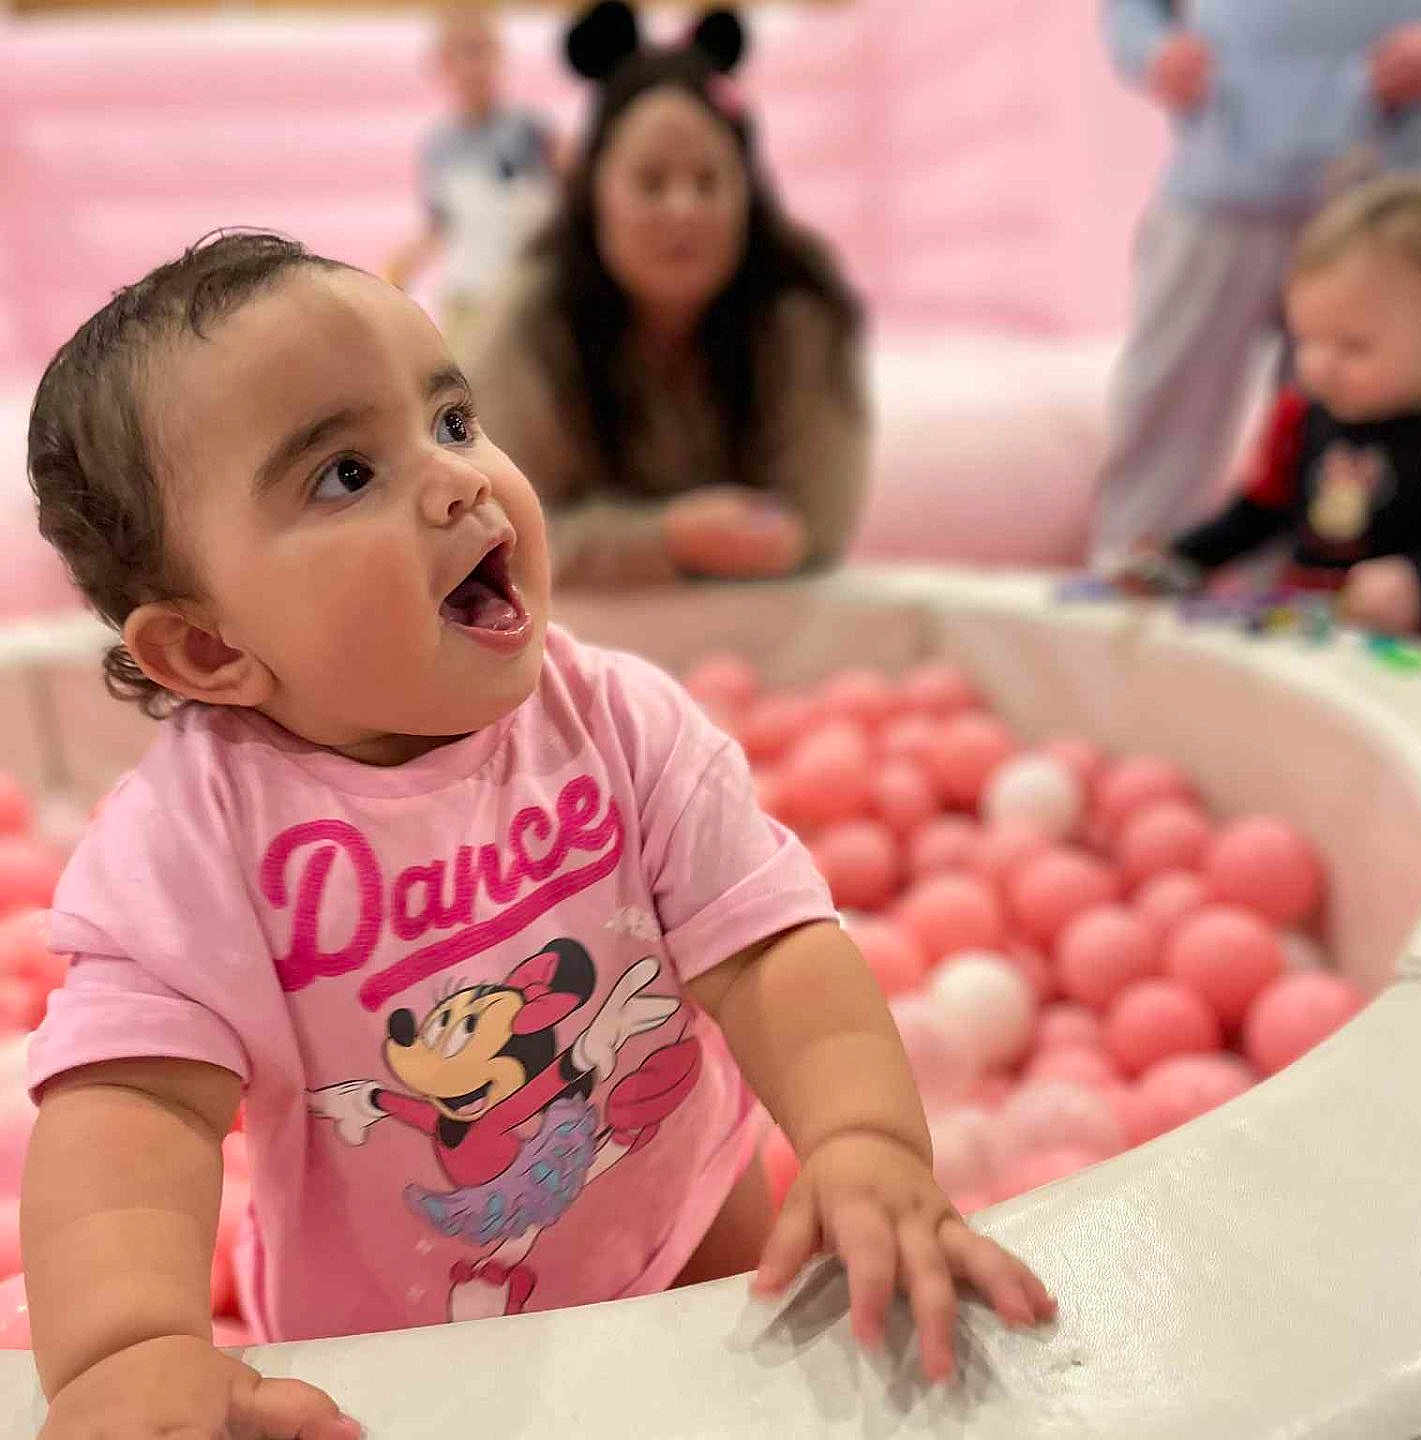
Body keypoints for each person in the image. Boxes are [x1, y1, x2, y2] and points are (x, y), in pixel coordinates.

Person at [21, 231, 1053, 1438]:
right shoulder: (190, 841)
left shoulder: (617, 720)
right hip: (393, 1340)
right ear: (208, 651)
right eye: (346, 474)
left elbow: (772, 949)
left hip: (684, 1215)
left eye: (452, 421)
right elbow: (137, 1109)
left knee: (736, 1403)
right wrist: (129, 1349)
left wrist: (863, 1138)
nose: (456, 480)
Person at [461, 3, 869, 588]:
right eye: (651, 182)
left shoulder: (800, 314)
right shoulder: (529, 321)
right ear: (594, 193)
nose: (684, 209)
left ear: (748, 197)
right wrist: (667, 538)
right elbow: (490, 531)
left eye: (708, 181)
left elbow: (821, 523)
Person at [1091, 1, 1421, 567]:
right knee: (1170, 390)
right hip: (1223, 176)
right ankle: (1136, 570)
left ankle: (1310, 579)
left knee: (1350, 405)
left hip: (1384, 192)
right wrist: (1153, 51)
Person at [1114, 173, 1421, 635]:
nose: (1320, 366)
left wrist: (1419, 583)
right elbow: (1259, 513)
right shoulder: (1301, 416)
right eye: (1306, 340)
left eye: (1353, 346)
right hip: (1317, 641)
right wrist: (1182, 559)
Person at [385, 6, 556, 358]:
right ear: (442, 63)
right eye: (463, 51)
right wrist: (401, 267)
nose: (475, 64)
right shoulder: (438, 146)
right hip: (467, 296)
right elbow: (441, 224)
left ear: (499, 56)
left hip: (524, 294)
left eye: (483, 50)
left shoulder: (530, 131)